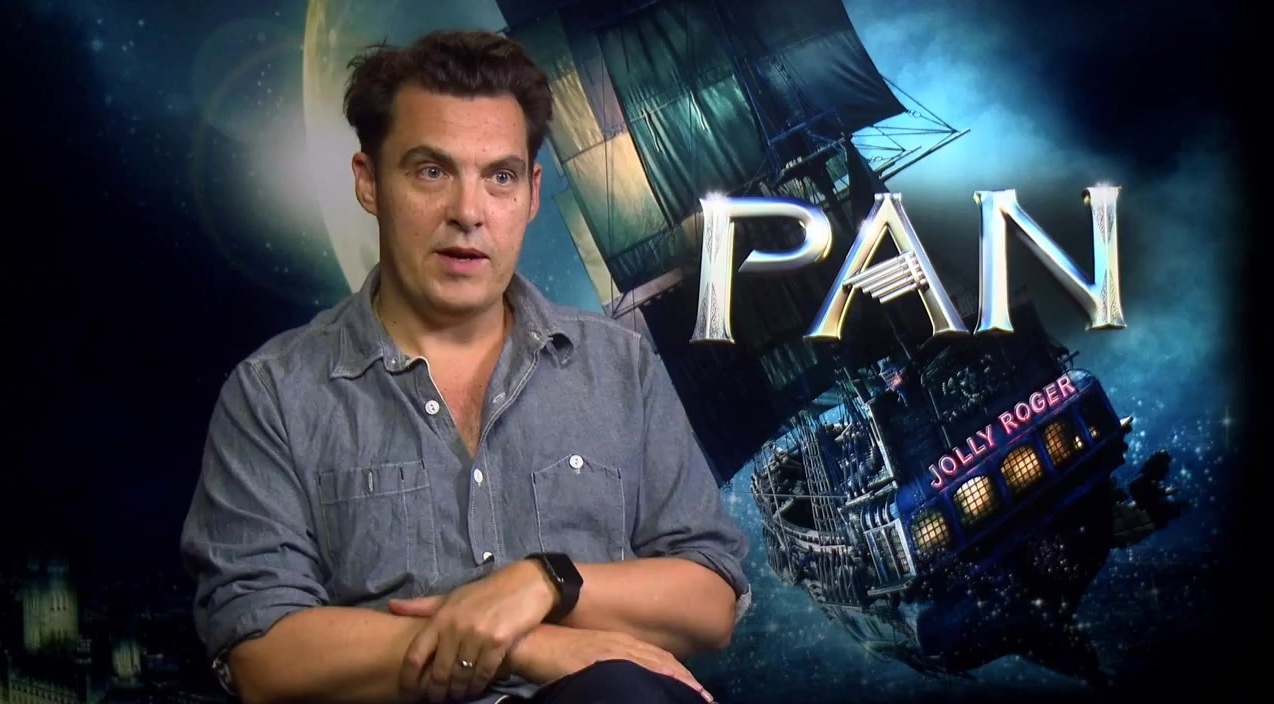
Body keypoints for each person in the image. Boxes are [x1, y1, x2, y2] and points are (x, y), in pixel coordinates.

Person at [179, 29, 750, 704]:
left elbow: (710, 597)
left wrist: (546, 582)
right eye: (431, 172)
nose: (468, 213)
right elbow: (262, 652)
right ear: (369, 181)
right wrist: (524, 643)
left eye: (499, 177)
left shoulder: (619, 367)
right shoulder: (273, 395)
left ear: (531, 194)